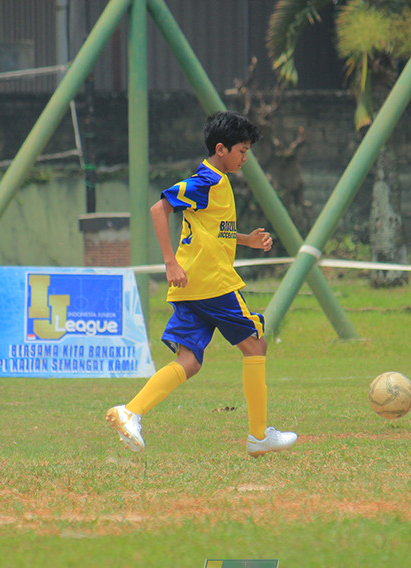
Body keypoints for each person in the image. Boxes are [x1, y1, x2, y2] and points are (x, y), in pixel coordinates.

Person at [105, 111, 297, 458]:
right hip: (211, 283)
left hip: (193, 286)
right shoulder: (207, 180)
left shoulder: (216, 182)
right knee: (255, 345)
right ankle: (258, 436)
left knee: (189, 361)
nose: (245, 157)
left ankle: (130, 411)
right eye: (241, 150)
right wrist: (170, 262)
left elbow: (211, 230)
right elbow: (158, 210)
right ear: (220, 149)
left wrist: (246, 241)